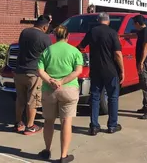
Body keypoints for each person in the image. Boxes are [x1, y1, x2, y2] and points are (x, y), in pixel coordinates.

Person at [38, 25, 83, 163]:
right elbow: (78, 71)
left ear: (55, 36)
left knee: (48, 121)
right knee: (66, 122)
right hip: (69, 90)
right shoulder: (74, 51)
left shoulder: (47, 51)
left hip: (49, 90)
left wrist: (51, 81)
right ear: (67, 36)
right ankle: (64, 155)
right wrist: (62, 81)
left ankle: (47, 150)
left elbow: (40, 71)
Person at [78, 12, 124, 136]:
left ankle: (94, 126)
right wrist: (122, 70)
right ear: (108, 21)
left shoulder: (92, 32)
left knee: (95, 97)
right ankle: (112, 126)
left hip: (96, 70)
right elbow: (118, 54)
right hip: (111, 71)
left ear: (98, 20)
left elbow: (81, 47)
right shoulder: (113, 33)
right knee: (113, 97)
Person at [14, 15, 52, 135]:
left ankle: (19, 123)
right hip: (34, 73)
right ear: (45, 27)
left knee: (20, 99)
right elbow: (49, 56)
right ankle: (30, 126)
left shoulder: (24, 32)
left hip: (19, 71)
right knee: (33, 100)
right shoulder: (45, 38)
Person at [133, 14, 147, 120]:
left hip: (145, 62)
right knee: (143, 84)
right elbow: (132, 35)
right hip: (142, 61)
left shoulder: (146, 32)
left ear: (138, 23)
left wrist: (141, 62)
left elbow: (146, 47)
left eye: (134, 23)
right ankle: (145, 106)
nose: (134, 25)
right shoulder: (141, 32)